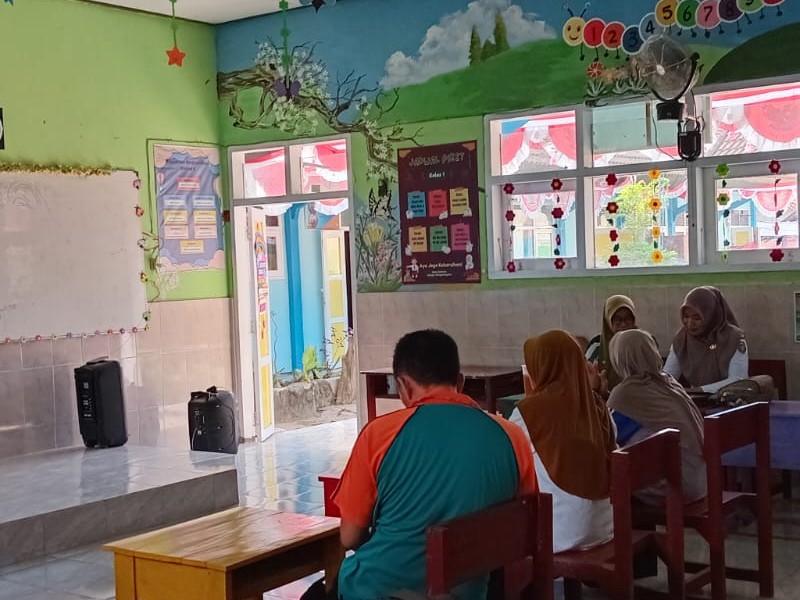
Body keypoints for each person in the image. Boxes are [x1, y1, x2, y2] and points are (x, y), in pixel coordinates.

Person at [333, 329, 537, 600]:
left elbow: (349, 537)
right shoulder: (512, 436)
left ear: (403, 386)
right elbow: (523, 524)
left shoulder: (378, 435)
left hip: (377, 590)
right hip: (470, 592)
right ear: (460, 382)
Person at [510, 330, 617, 553]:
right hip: (605, 527)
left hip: (561, 534)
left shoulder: (530, 411)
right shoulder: (596, 403)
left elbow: (507, 454)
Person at [608, 329, 707, 504]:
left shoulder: (625, 392)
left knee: (610, 476)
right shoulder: (668, 381)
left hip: (677, 486)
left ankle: (619, 523)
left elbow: (606, 434)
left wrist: (596, 393)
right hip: (701, 480)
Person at [663, 286, 748, 394]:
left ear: (712, 316)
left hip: (729, 397)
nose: (690, 323)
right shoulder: (682, 338)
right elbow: (669, 375)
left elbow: (738, 380)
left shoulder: (734, 338)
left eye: (697, 318)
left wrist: (699, 390)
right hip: (695, 399)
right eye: (686, 316)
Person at [585, 295, 638, 391]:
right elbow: (586, 379)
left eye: (628, 318)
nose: (623, 324)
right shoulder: (597, 346)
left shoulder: (643, 343)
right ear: (608, 321)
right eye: (617, 320)